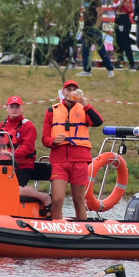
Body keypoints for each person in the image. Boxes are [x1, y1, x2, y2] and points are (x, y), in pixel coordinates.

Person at [42, 80, 104, 220]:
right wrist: (53, 141)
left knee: (79, 201)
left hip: (80, 160)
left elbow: (98, 122)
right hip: (59, 161)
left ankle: (82, 232)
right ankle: (57, 229)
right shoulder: (52, 111)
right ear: (62, 92)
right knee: (57, 199)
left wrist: (85, 103)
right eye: (68, 89)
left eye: (74, 90)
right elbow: (45, 139)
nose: (71, 92)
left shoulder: (84, 108)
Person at [0, 96, 51, 210]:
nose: (14, 109)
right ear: (7, 108)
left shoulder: (28, 126)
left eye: (17, 107)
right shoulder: (1, 127)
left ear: (22, 108)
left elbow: (28, 148)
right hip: (3, 166)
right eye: (12, 107)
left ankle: (45, 198)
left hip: (22, 165)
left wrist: (13, 154)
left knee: (16, 189)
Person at [78, 0, 115, 77]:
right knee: (85, 49)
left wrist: (97, 27)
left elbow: (100, 12)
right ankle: (87, 70)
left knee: (100, 49)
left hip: (94, 27)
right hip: (87, 28)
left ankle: (110, 68)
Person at [110, 0, 136, 70]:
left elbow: (115, 5)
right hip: (118, 17)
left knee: (124, 41)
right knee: (117, 40)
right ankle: (119, 61)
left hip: (123, 18)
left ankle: (131, 62)